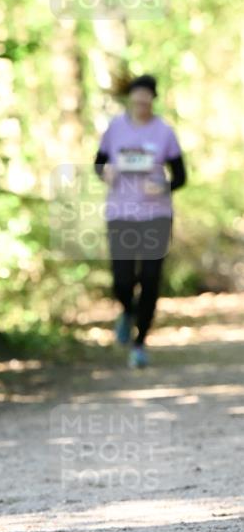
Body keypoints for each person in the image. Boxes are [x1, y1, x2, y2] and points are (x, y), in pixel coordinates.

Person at [94, 74, 186, 369]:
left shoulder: (164, 132)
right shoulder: (115, 128)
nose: (141, 102)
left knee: (149, 278)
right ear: (131, 99)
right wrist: (104, 173)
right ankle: (126, 311)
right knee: (122, 280)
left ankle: (139, 343)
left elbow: (181, 175)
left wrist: (164, 187)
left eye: (147, 97)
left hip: (156, 216)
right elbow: (99, 162)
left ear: (153, 100)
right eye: (137, 97)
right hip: (120, 214)